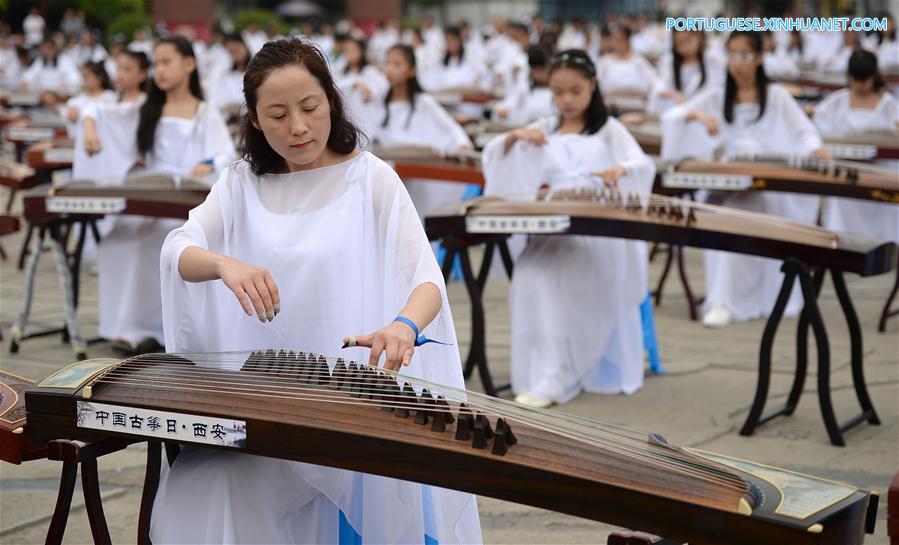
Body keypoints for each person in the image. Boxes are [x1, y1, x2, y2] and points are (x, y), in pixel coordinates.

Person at [154, 36, 482, 545]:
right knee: (206, 485)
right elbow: (180, 248)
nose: (299, 127)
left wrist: (403, 325)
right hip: (264, 408)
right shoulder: (243, 184)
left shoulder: (370, 178)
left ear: (331, 99)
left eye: (310, 107)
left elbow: (425, 278)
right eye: (278, 114)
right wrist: (223, 263)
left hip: (349, 406)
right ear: (256, 120)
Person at [482, 49, 656, 408]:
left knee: (559, 282)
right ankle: (546, 370)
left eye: (575, 91)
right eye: (558, 92)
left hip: (595, 235)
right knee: (532, 276)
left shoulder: (610, 130)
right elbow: (500, 158)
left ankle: (556, 376)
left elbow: (642, 165)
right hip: (552, 228)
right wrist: (515, 139)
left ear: (592, 86)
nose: (567, 100)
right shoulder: (545, 128)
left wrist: (620, 172)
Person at [660, 31, 830, 327]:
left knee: (741, 213)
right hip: (728, 185)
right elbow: (674, 116)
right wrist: (699, 119)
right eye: (732, 55)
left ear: (760, 58)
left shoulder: (775, 96)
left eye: (745, 55)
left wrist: (815, 149)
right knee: (728, 216)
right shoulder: (716, 95)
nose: (737, 63)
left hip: (767, 186)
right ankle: (722, 299)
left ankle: (731, 300)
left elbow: (804, 132)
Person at [79, 36, 235, 355]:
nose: (159, 70)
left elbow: (225, 155)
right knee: (123, 239)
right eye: (156, 64)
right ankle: (130, 328)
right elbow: (94, 108)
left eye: (167, 62)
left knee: (166, 241)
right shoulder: (144, 108)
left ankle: (171, 330)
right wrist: (91, 129)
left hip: (189, 206)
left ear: (189, 65)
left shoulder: (205, 112)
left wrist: (207, 164)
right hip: (150, 201)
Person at [372, 44, 472, 221]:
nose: (390, 69)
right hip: (389, 174)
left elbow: (450, 128)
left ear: (411, 71)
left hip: (418, 175)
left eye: (397, 64)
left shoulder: (424, 102)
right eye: (387, 63)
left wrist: (461, 145)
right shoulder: (378, 102)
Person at [813, 49, 899, 244]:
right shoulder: (838, 100)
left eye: (864, 80)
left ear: (874, 76)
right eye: (856, 79)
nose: (860, 85)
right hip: (847, 173)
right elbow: (818, 124)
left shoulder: (888, 104)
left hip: (879, 174)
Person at [648, 29, 725, 115]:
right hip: (678, 112)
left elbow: (718, 88)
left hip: (706, 113)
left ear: (698, 37)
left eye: (688, 41)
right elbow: (660, 86)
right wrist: (673, 94)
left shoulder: (712, 60)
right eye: (680, 43)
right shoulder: (669, 62)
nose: (685, 47)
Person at [332, 37, 388, 138]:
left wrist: (371, 92)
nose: (350, 53)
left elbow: (382, 86)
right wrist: (355, 83)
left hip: (366, 118)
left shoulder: (369, 71)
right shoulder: (340, 72)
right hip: (347, 118)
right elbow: (335, 86)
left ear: (361, 51)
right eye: (347, 50)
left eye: (353, 49)